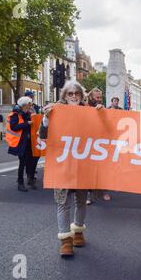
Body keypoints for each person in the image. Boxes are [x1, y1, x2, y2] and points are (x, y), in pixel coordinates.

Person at [39, 81, 94, 257]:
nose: (73, 96)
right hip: (62, 164)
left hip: (82, 164)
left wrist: (101, 115)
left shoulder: (89, 112)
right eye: (70, 94)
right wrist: (46, 118)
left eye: (76, 93)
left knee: (81, 200)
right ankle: (65, 241)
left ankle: (78, 231)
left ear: (81, 95)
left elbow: (101, 133)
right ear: (64, 96)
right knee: (63, 202)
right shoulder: (54, 111)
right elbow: (42, 134)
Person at [84, 87, 112, 204]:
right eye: (97, 97)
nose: (99, 99)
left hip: (100, 143)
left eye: (101, 97)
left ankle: (103, 190)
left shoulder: (103, 108)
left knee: (102, 168)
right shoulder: (85, 108)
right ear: (91, 97)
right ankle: (88, 195)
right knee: (88, 171)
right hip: (87, 143)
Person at [6, 96, 36, 192]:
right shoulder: (15, 114)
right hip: (21, 143)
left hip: (29, 142)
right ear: (24, 105)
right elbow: (14, 127)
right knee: (22, 163)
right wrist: (27, 123)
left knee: (31, 161)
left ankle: (30, 179)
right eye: (29, 104)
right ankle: (20, 183)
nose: (31, 105)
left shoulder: (28, 113)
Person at [25, 91, 41, 188]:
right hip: (26, 137)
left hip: (35, 136)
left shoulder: (36, 107)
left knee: (36, 156)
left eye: (32, 97)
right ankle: (29, 176)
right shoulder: (21, 108)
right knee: (28, 157)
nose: (31, 98)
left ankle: (31, 174)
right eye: (30, 97)